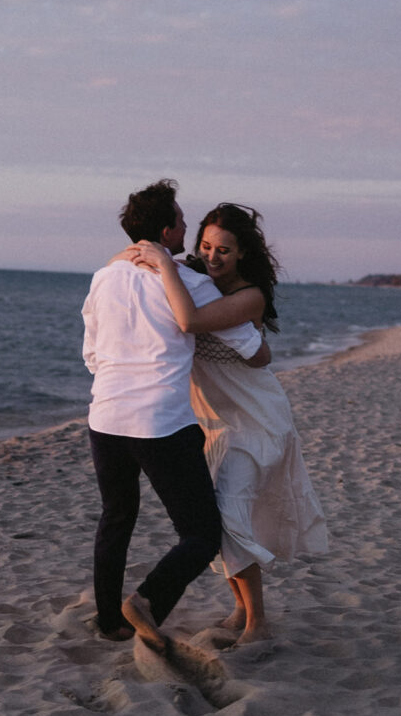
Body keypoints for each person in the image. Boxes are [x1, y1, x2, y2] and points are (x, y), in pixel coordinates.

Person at [81, 181, 270, 652]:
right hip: (159, 422)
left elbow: (91, 352)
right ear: (167, 232)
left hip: (103, 416)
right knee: (201, 533)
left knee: (116, 516)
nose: (188, 227)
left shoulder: (105, 276)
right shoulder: (191, 283)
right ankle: (147, 602)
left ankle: (110, 623)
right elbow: (250, 347)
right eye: (183, 222)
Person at [130, 203, 328, 643]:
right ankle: (240, 610)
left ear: (242, 254)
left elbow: (191, 321)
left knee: (228, 515)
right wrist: (145, 259)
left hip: (256, 420)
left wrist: (164, 262)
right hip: (213, 425)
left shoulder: (249, 295)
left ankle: (257, 623)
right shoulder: (193, 278)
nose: (213, 257)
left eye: (224, 250)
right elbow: (126, 261)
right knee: (217, 521)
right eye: (205, 246)